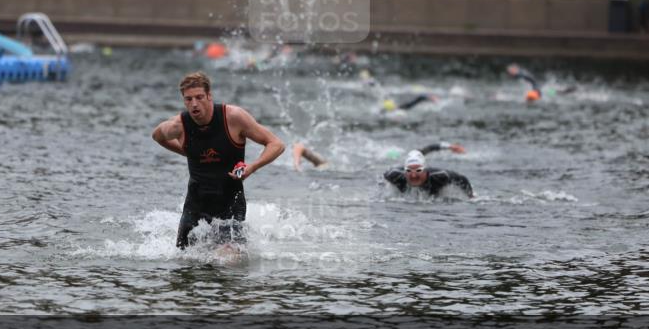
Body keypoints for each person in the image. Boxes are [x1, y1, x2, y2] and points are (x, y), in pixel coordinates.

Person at [152, 72, 285, 249]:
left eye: (199, 97)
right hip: (195, 204)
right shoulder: (178, 125)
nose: (194, 104)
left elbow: (276, 144)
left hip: (230, 203)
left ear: (209, 96)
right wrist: (188, 152)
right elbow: (157, 136)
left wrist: (252, 167)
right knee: (183, 263)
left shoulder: (233, 117)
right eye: (188, 99)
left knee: (227, 262)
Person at [292, 140, 466, 171]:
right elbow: (299, 146)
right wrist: (297, 164)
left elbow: (425, 149)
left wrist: (450, 146)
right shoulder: (324, 166)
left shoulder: (324, 166)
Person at [383, 150, 473, 198]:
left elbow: (462, 179)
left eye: (418, 170)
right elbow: (382, 181)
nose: (413, 175)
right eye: (409, 171)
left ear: (425, 170)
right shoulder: (395, 176)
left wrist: (470, 196)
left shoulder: (440, 176)